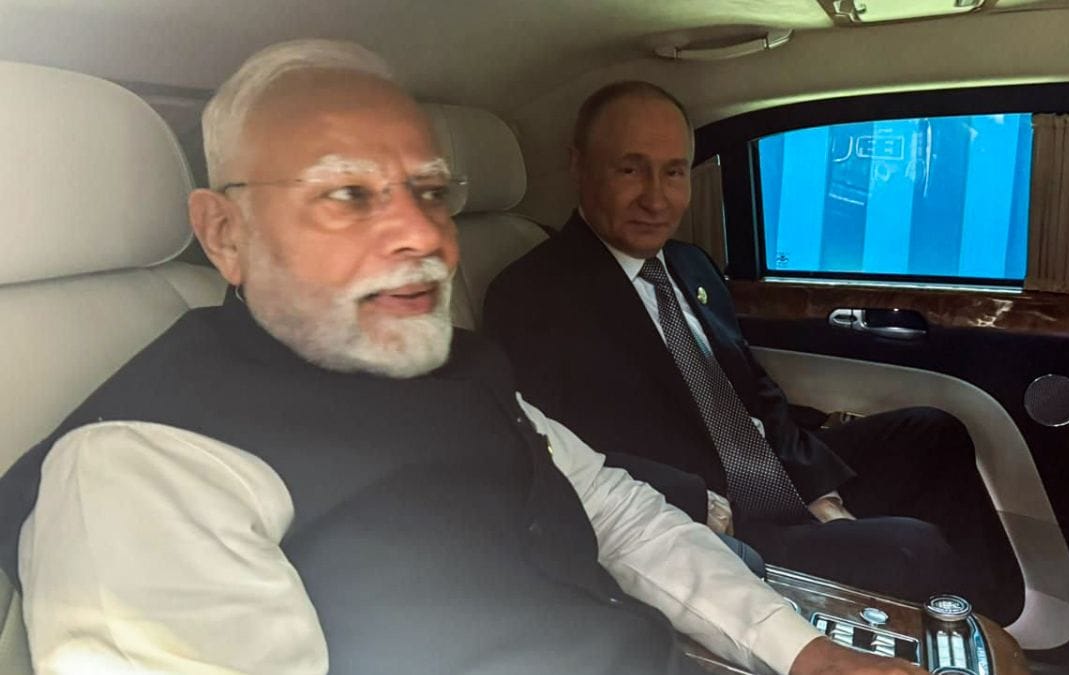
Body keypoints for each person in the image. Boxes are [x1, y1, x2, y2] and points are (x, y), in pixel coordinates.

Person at [0, 41, 927, 675]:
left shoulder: (459, 363)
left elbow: (615, 513)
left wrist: (799, 647)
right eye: (347, 194)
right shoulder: (136, 467)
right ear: (224, 232)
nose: (425, 237)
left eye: (432, 192)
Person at [483, 80, 1022, 621]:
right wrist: (707, 506)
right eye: (630, 169)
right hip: (710, 520)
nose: (656, 197)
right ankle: (966, 635)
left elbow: (754, 392)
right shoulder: (533, 296)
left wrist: (820, 495)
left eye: (673, 172)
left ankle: (990, 621)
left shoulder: (690, 265)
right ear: (579, 166)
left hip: (767, 471)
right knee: (913, 548)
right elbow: (559, 453)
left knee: (933, 432)